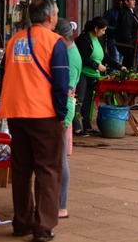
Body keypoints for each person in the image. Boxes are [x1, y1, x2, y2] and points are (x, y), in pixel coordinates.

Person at [0, 0, 69, 242]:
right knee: (48, 170)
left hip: (16, 112)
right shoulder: (55, 42)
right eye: (56, 13)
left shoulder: (14, 40)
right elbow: (60, 84)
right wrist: (61, 114)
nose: (57, 17)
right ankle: (43, 227)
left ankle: (22, 222)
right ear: (50, 17)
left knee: (21, 168)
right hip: (43, 114)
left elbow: (5, 75)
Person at [75, 17, 124, 135]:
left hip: (93, 75)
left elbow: (105, 57)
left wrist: (119, 66)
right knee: (79, 100)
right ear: (96, 28)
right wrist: (96, 65)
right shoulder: (84, 39)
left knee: (88, 101)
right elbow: (81, 57)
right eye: (103, 30)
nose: (104, 32)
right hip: (83, 73)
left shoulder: (98, 39)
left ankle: (87, 126)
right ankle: (76, 128)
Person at [53, 18, 81, 220]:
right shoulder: (67, 51)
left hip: (64, 107)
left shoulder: (71, 56)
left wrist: (62, 116)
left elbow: (67, 90)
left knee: (60, 160)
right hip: (62, 106)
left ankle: (61, 205)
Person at [116, 0, 138, 70]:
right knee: (129, 64)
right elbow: (126, 29)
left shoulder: (132, 12)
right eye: (131, 0)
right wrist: (130, 42)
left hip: (134, 43)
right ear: (126, 2)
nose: (134, 2)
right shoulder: (126, 13)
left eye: (134, 0)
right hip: (129, 45)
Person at [103, 0, 124, 65]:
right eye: (121, 0)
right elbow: (104, 26)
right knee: (115, 60)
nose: (122, 3)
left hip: (124, 40)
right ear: (117, 1)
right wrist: (117, 29)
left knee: (121, 61)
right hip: (113, 39)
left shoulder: (127, 13)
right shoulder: (111, 12)